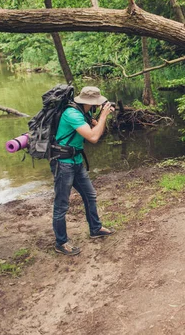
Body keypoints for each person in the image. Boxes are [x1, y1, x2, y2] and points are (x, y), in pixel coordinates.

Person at [50, 86, 115, 256]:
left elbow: (99, 132)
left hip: (76, 161)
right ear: (89, 102)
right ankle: (61, 242)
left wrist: (99, 119)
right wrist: (103, 116)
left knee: (90, 195)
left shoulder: (84, 113)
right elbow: (93, 138)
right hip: (63, 163)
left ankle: (95, 228)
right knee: (62, 205)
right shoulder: (72, 114)